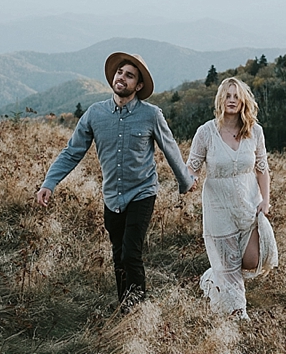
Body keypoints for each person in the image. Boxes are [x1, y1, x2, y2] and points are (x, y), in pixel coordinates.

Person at [36, 52, 197, 309]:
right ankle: (125, 306)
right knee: (118, 255)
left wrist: (185, 181)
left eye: (129, 75)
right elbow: (72, 152)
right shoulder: (94, 114)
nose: (122, 78)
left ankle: (138, 310)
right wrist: (49, 183)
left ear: (138, 85)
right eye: (120, 72)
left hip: (142, 192)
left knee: (131, 253)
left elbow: (170, 149)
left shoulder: (151, 115)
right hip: (112, 196)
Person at [187, 77, 278, 320]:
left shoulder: (255, 131)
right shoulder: (206, 132)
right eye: (227, 96)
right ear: (220, 100)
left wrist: (266, 201)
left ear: (244, 101)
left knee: (253, 260)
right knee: (229, 265)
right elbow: (192, 167)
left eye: (236, 96)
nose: (232, 100)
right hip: (218, 207)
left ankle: (211, 277)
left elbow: (262, 168)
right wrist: (188, 181)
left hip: (248, 204)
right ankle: (238, 314)